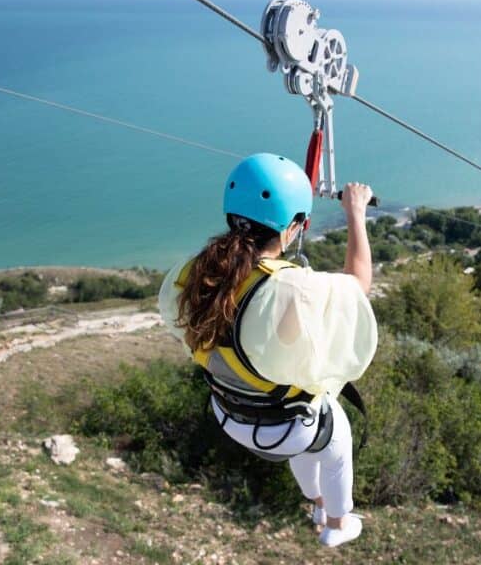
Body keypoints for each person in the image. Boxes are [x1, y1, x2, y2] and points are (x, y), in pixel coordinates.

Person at [158, 153, 378, 547]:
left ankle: (315, 502)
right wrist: (355, 213)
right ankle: (337, 525)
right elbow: (358, 284)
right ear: (294, 228)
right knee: (334, 437)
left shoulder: (194, 272)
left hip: (229, 413)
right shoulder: (290, 289)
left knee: (309, 433)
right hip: (282, 428)